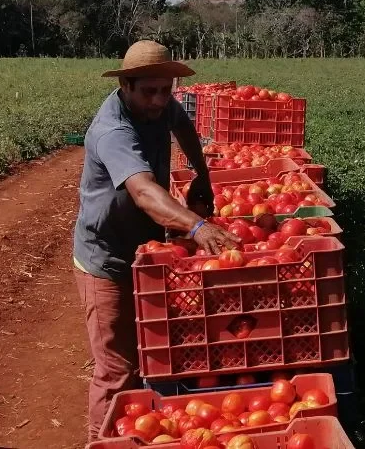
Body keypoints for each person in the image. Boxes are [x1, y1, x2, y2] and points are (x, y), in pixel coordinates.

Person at [72, 40, 240, 441]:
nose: (159, 99)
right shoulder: (113, 130)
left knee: (152, 348)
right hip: (106, 258)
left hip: (146, 251)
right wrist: (198, 228)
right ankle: (100, 440)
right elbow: (144, 191)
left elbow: (183, 127)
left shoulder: (162, 105)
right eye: (149, 91)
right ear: (126, 86)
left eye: (166, 90)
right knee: (116, 368)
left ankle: (137, 430)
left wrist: (202, 173)